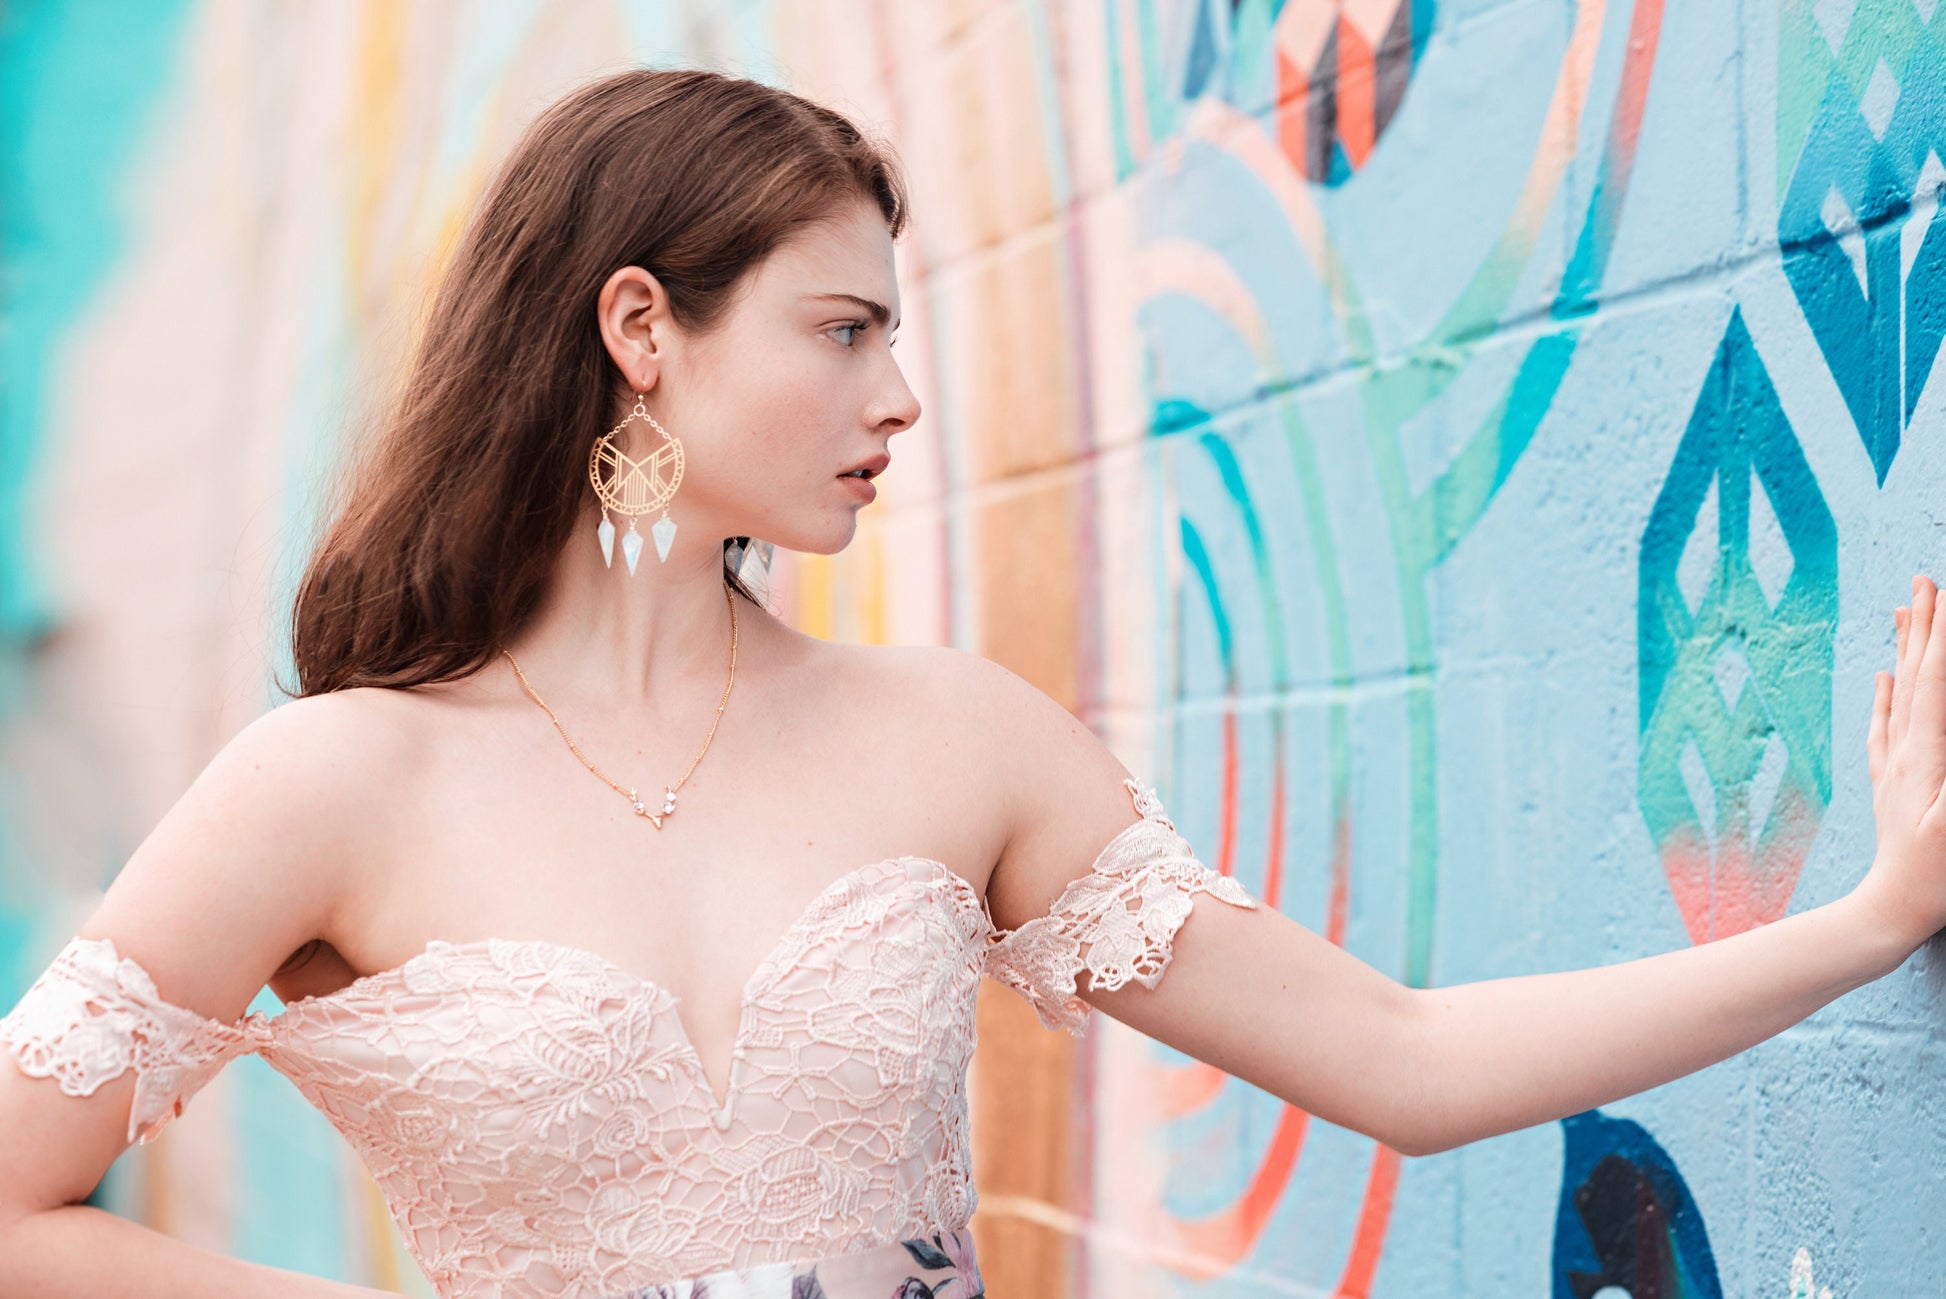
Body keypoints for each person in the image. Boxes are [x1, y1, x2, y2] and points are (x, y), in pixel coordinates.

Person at [0, 65, 1938, 1299]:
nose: (898, 397)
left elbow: (1405, 1064)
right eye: (838, 330)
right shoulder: (335, 780)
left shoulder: (953, 735)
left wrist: (1867, 915)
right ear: (639, 332)